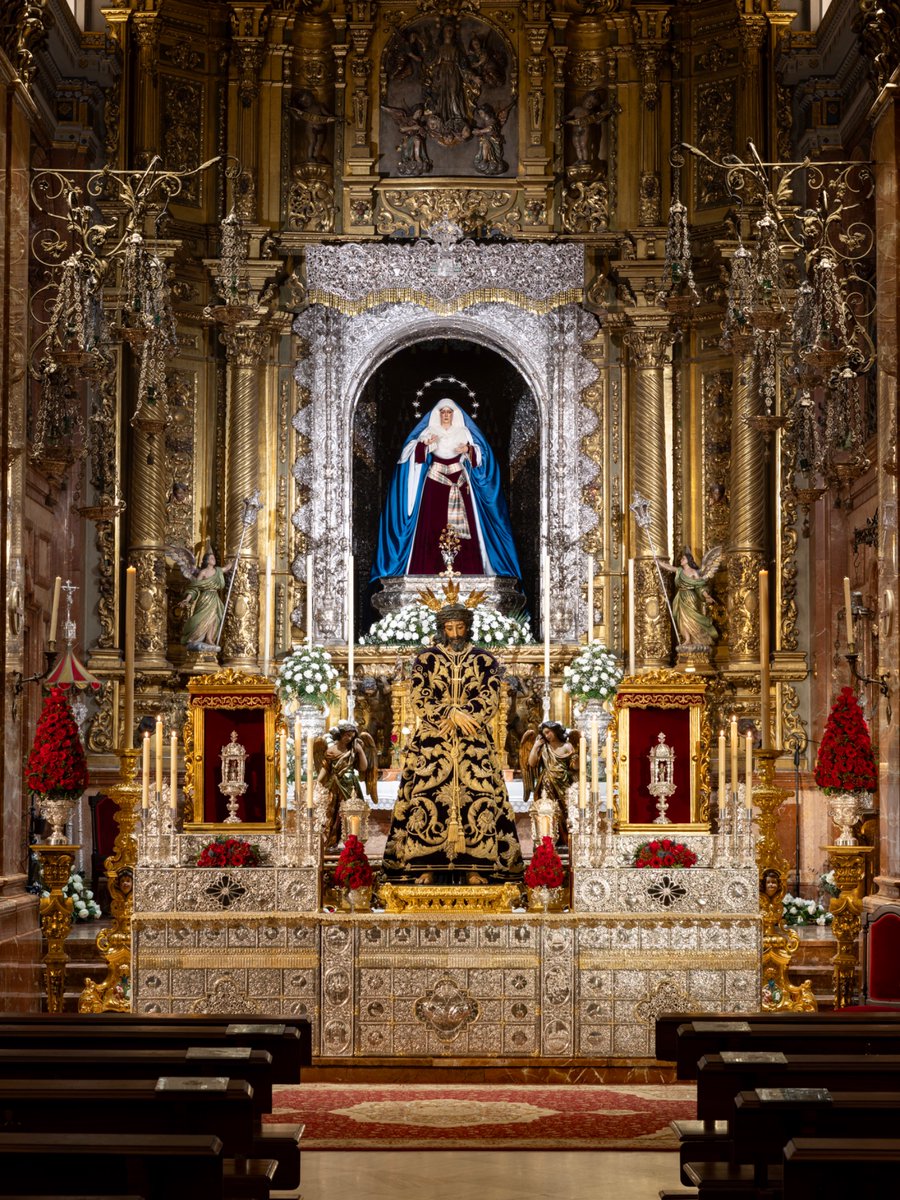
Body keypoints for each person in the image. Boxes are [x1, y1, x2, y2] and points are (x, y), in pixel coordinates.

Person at [381, 601, 524, 885]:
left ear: (468, 627)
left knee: (479, 797)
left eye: (460, 627)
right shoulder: (426, 659)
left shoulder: (484, 660)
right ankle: (425, 865)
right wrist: (450, 713)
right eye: (450, 628)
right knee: (427, 796)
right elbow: (420, 697)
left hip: (473, 742)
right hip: (435, 741)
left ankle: (476, 867)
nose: (455, 633)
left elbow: (492, 696)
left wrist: (466, 716)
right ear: (442, 629)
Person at [371, 397, 521, 580]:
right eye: (443, 412)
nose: (446, 415)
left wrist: (468, 449)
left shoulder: (464, 432)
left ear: (454, 414)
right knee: (432, 525)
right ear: (437, 414)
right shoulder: (429, 431)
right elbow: (411, 456)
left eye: (449, 412)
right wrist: (425, 445)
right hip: (435, 483)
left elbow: (480, 456)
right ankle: (427, 572)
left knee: (465, 531)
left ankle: (467, 573)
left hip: (459, 480)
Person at [315, 722, 377, 850]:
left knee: (352, 813)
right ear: (340, 734)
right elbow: (325, 768)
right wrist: (317, 782)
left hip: (350, 786)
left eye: (352, 736)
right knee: (333, 813)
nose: (349, 738)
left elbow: (363, 768)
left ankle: (353, 843)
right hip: (335, 785)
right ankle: (332, 842)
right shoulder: (331, 750)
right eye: (347, 735)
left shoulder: (353, 750)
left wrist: (360, 751)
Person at [660, 546, 722, 648]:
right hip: (681, 596)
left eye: (683, 558)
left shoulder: (694, 572)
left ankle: (699, 638)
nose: (681, 560)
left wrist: (706, 596)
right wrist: (659, 562)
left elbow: (700, 586)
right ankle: (687, 639)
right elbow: (670, 568)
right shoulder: (679, 570)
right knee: (682, 619)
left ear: (688, 560)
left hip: (690, 597)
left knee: (693, 618)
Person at [179, 551, 231, 650]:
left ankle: (209, 638)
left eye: (214, 558)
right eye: (211, 558)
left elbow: (227, 568)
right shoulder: (203, 572)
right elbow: (195, 587)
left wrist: (236, 557)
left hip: (214, 597)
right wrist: (186, 599)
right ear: (207, 561)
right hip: (205, 598)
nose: (214, 559)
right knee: (201, 618)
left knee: (214, 617)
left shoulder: (218, 570)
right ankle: (195, 637)